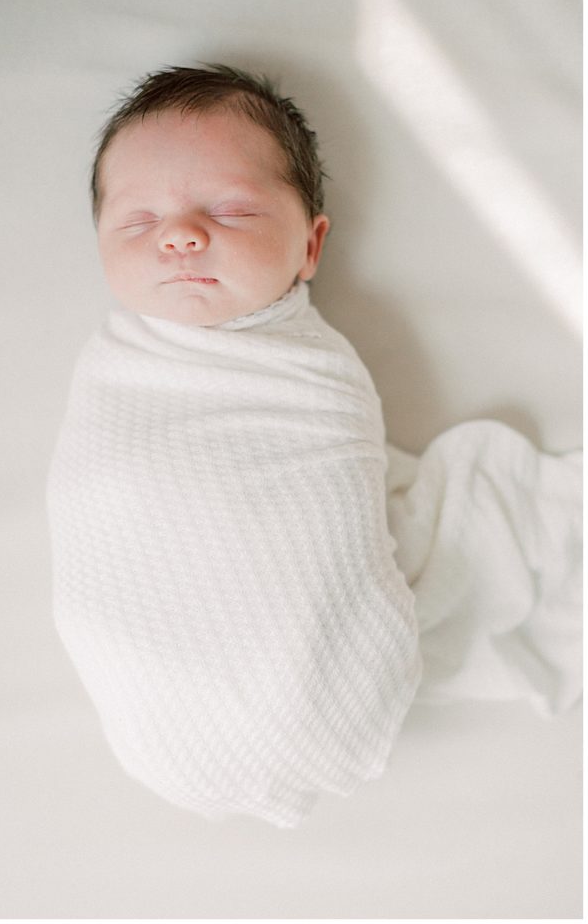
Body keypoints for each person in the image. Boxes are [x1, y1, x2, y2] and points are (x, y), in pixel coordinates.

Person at [46, 65, 423, 827]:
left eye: (231, 208)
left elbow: (329, 490)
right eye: (138, 221)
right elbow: (101, 493)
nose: (181, 234)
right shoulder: (117, 370)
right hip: (158, 713)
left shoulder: (315, 373)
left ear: (310, 245)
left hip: (324, 678)